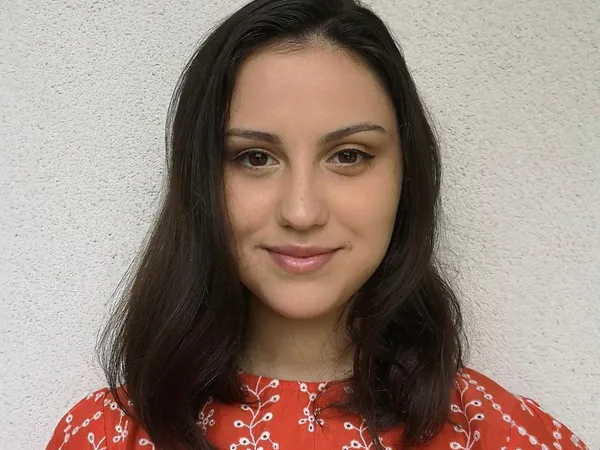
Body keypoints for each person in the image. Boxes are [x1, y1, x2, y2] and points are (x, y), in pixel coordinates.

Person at [46, 0, 589, 449]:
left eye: (349, 155)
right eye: (255, 157)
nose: (302, 212)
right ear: (201, 180)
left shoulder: (508, 436)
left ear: (407, 177)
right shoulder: (103, 436)